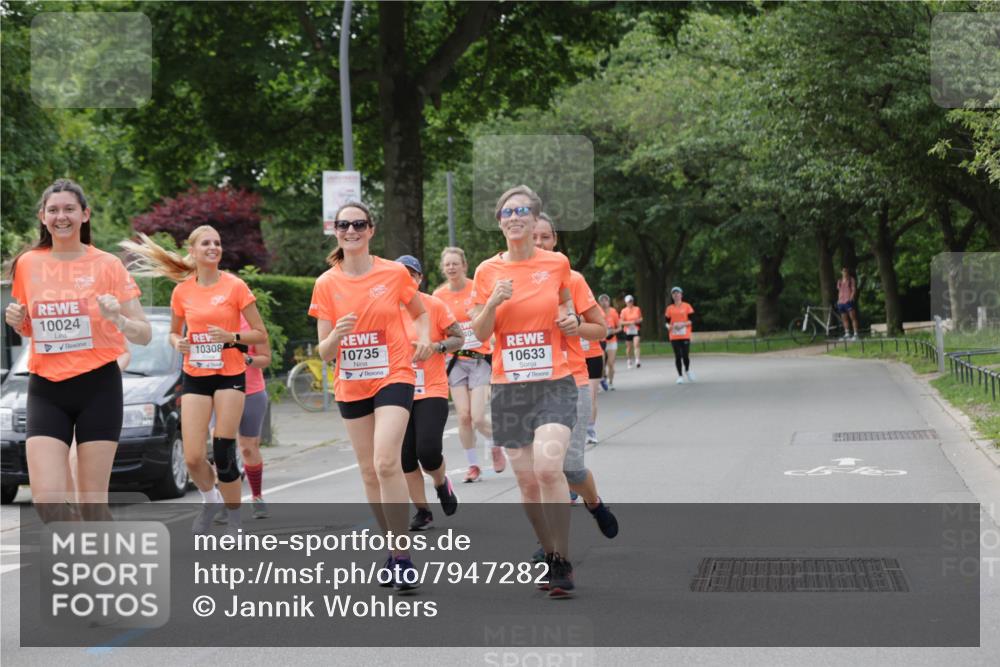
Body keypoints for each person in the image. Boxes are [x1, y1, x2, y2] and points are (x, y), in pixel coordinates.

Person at [5, 179, 152, 519]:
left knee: (91, 505)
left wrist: (118, 319)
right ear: (43, 217)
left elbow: (143, 334)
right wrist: (17, 320)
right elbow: (30, 325)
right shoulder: (28, 264)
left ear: (85, 215)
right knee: (48, 504)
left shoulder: (108, 265)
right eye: (53, 210)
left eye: (70, 209)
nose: (61, 216)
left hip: (97, 387)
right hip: (45, 388)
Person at [309, 202, 433, 591]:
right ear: (335, 230)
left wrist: (427, 338)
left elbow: (420, 313)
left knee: (385, 462)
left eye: (358, 224)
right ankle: (394, 551)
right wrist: (337, 335)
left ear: (371, 230)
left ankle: (403, 557)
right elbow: (324, 352)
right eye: (344, 224)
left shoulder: (394, 273)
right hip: (352, 383)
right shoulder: (326, 283)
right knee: (367, 471)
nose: (351, 230)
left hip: (394, 374)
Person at [470, 185, 581, 598]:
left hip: (554, 382)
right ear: (499, 222)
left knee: (549, 470)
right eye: (506, 212)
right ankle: (548, 549)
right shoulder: (485, 273)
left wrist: (568, 320)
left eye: (522, 211)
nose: (514, 217)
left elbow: (566, 304)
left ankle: (562, 561)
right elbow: (479, 335)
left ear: (535, 221)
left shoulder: (556, 264)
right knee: (528, 483)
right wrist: (492, 303)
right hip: (509, 388)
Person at [121, 226, 268, 535]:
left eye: (217, 242)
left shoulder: (236, 286)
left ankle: (234, 520)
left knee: (224, 450)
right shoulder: (183, 291)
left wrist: (232, 337)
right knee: (192, 457)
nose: (213, 247)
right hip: (196, 374)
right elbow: (175, 332)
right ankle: (209, 499)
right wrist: (178, 343)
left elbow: (259, 333)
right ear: (194, 250)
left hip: (229, 375)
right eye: (206, 243)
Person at [533, 214, 619, 539]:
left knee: (570, 468)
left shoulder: (573, 279)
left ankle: (594, 502)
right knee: (542, 471)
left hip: (572, 381)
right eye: (534, 237)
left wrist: (577, 326)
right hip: (530, 386)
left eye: (545, 237)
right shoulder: (511, 283)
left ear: (555, 241)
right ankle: (551, 549)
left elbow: (601, 327)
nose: (539, 243)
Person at [395, 255, 463, 531]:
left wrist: (436, 347)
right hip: (396, 390)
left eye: (412, 274)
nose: (406, 279)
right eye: (401, 274)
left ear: (419, 279)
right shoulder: (384, 308)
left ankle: (440, 482)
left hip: (431, 388)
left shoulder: (434, 305)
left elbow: (459, 338)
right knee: (406, 457)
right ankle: (423, 511)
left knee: (428, 450)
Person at [432, 247, 503, 482]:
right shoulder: (438, 296)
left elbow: (492, 320)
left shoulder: (478, 289)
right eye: (447, 264)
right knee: (463, 416)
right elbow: (436, 329)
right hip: (455, 362)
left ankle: (494, 443)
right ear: (443, 268)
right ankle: (473, 466)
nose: (451, 268)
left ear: (464, 265)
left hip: (479, 359)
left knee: (479, 417)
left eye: (455, 263)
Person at [236, 314, 272, 518]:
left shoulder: (251, 322)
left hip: (251, 391)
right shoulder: (209, 320)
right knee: (220, 446)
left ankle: (257, 496)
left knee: (248, 448)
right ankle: (225, 501)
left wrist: (247, 359)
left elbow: (265, 358)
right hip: (218, 392)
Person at [665, 287, 695, 384]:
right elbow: (666, 322)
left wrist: (683, 324)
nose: (676, 295)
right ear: (672, 296)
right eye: (674, 293)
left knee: (685, 355)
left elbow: (691, 320)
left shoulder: (687, 306)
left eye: (677, 293)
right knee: (678, 356)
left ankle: (687, 370)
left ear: (681, 295)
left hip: (685, 334)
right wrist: (670, 326)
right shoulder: (669, 308)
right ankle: (680, 376)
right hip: (674, 335)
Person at [598, 294, 620, 391]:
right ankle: (602, 378)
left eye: (606, 300)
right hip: (600, 341)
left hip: (611, 340)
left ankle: (611, 383)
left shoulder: (613, 312)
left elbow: (620, 328)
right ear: (599, 302)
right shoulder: (596, 312)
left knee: (611, 363)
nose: (604, 302)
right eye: (602, 300)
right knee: (601, 364)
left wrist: (612, 331)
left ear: (609, 302)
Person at [620, 295, 643, 368]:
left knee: (636, 344)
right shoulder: (624, 311)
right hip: (627, 330)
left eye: (631, 301)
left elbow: (641, 318)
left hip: (636, 329)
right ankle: (629, 360)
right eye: (628, 301)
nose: (630, 303)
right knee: (629, 347)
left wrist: (637, 321)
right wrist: (630, 323)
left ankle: (637, 360)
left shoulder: (637, 309)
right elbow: (621, 322)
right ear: (626, 302)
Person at [837, 267, 859, 340]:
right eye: (843, 271)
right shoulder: (839, 281)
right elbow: (839, 291)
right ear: (841, 272)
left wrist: (851, 297)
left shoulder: (851, 280)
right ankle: (847, 333)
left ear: (848, 272)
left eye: (846, 271)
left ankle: (856, 334)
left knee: (853, 317)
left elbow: (854, 289)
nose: (844, 272)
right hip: (841, 301)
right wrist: (839, 300)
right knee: (844, 318)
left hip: (848, 301)